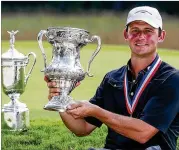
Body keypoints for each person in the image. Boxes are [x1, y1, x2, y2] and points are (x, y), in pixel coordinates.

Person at [45, 6, 179, 150]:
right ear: (126, 34)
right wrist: (60, 99)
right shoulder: (112, 78)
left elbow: (143, 132)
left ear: (161, 36)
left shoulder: (172, 79)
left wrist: (96, 111)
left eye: (148, 31)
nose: (141, 36)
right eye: (135, 30)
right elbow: (82, 128)